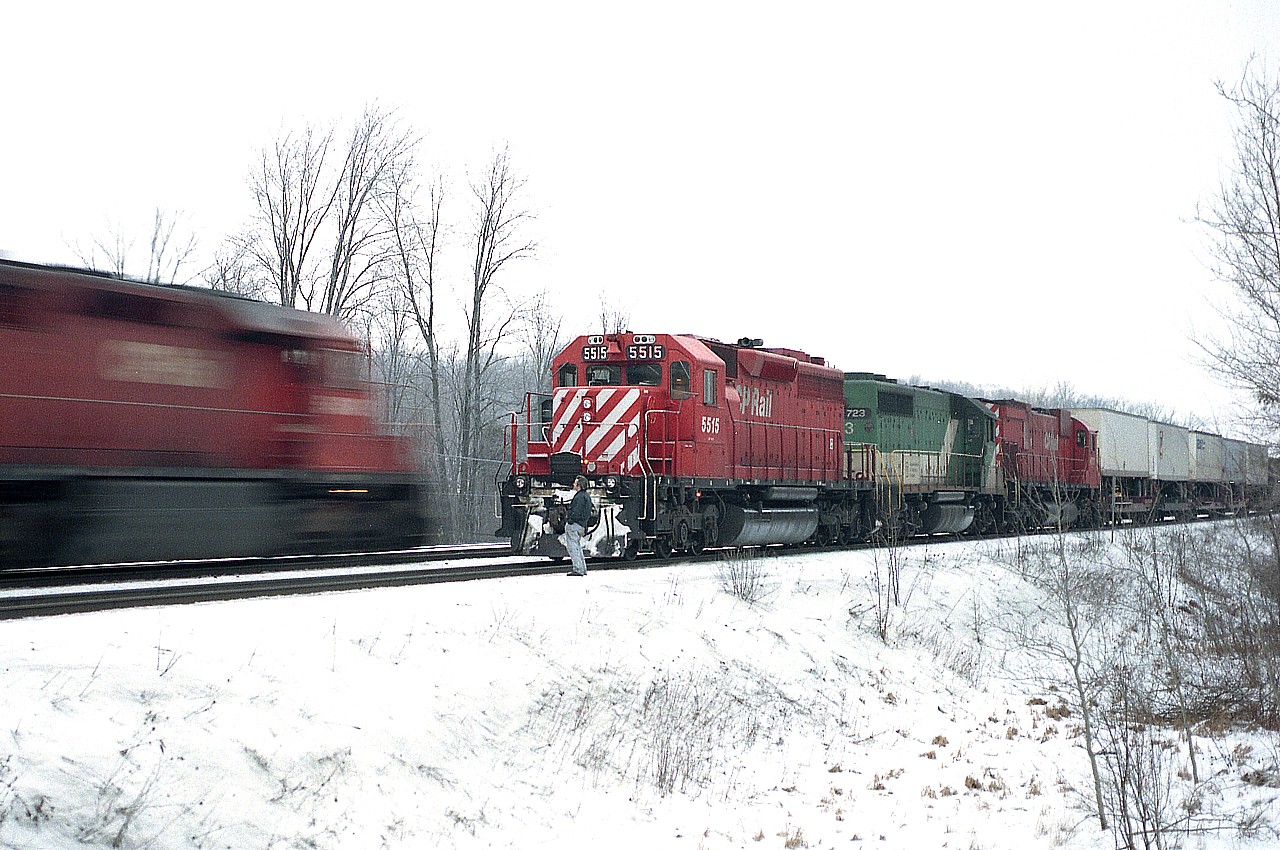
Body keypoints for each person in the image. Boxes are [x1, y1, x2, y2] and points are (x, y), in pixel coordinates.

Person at [563, 475, 593, 576]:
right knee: (578, 547)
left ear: (579, 485)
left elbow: (577, 511)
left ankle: (578, 569)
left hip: (574, 524)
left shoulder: (579, 497)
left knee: (573, 547)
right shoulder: (586, 496)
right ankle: (582, 568)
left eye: (575, 483)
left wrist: (570, 520)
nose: (573, 484)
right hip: (581, 524)